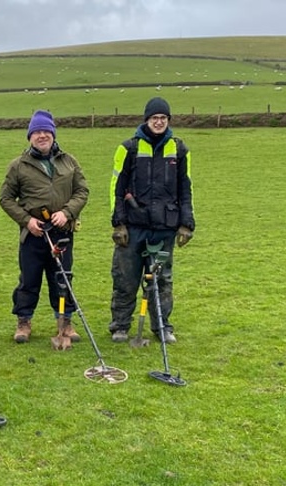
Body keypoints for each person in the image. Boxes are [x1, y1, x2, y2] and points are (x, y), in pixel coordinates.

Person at [108, 96, 195, 344]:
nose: (159, 122)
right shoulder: (129, 148)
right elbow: (116, 186)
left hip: (165, 227)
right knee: (125, 278)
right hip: (133, 227)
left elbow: (186, 189)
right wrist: (119, 223)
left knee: (161, 280)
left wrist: (187, 224)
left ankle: (162, 327)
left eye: (163, 118)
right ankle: (120, 326)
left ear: (168, 121)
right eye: (155, 118)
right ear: (146, 120)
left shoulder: (179, 150)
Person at [0, 110, 89, 347]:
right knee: (29, 280)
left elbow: (82, 191)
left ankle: (65, 323)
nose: (42, 136)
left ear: (53, 134)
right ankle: (23, 322)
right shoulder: (18, 166)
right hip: (34, 234)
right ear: (30, 136)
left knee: (62, 279)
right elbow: (6, 198)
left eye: (46, 131)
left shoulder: (69, 162)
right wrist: (27, 221)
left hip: (62, 233)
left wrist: (67, 213)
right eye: (37, 132)